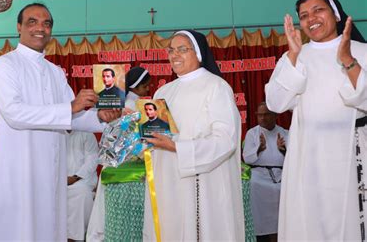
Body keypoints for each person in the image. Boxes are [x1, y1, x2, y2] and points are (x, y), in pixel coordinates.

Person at [0, 3, 120, 241]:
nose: (40, 28)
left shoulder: (54, 71)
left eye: (46, 23)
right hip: (17, 168)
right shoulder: (2, 65)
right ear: (19, 27)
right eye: (32, 21)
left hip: (50, 168)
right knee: (15, 230)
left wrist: (101, 118)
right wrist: (71, 107)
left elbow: (72, 118)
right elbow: (15, 114)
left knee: (47, 228)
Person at [265, 0, 367, 241]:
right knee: (310, 220)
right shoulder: (295, 55)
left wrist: (347, 60)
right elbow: (276, 103)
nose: (311, 18)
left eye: (318, 10)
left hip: (354, 150)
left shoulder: (361, 51)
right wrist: (293, 55)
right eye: (304, 15)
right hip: (307, 153)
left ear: (335, 14)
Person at [142, 30, 245, 241]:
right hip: (167, 180)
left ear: (198, 53)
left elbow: (226, 140)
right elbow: (157, 136)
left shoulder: (216, 86)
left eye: (182, 49)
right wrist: (137, 126)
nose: (174, 55)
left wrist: (178, 148)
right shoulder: (163, 92)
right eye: (171, 50)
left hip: (202, 182)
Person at [87, 66, 151, 242]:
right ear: (137, 87)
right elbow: (138, 147)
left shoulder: (117, 106)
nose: (148, 90)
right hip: (131, 176)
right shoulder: (139, 110)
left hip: (112, 173)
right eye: (146, 87)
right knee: (131, 223)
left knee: (109, 220)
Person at [243, 102, 289, 242]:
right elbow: (247, 158)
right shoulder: (252, 133)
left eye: (266, 115)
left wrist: (284, 150)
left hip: (281, 174)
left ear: (275, 116)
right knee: (254, 185)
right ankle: (261, 234)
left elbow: (295, 159)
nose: (262, 118)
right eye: (259, 115)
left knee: (287, 188)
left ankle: (283, 233)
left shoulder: (285, 133)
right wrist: (259, 149)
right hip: (259, 175)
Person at [66, 130, 99, 242]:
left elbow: (92, 160)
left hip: (84, 178)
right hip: (60, 179)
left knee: (81, 192)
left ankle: (74, 237)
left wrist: (75, 177)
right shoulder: (55, 133)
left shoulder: (87, 133)